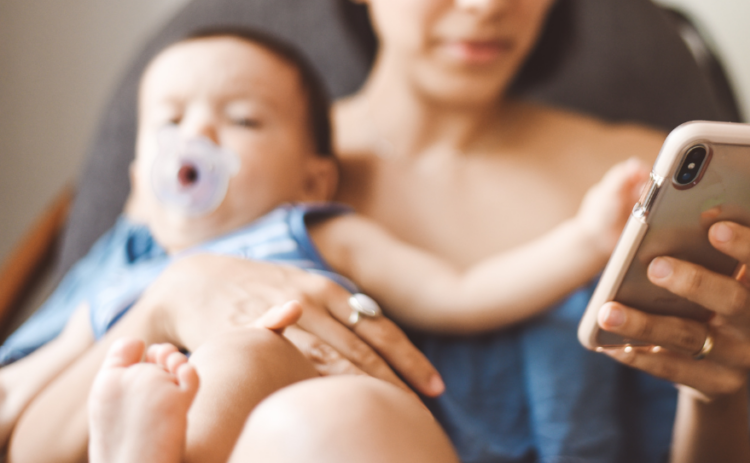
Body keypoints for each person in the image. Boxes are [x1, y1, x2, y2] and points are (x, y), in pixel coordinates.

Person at [12, 0, 750, 461]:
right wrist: (171, 295)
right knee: (312, 424)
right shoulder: (240, 173)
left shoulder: (633, 184)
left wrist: (720, 390)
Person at [0, 29, 646, 462]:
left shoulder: (315, 230)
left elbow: (462, 292)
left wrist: (585, 238)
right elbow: (27, 388)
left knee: (251, 353)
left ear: (314, 177)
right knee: (141, 374)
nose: (197, 132)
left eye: (243, 119)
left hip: (319, 419)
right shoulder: (124, 276)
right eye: (171, 120)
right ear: (140, 183)